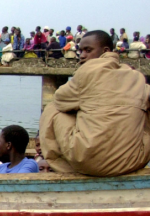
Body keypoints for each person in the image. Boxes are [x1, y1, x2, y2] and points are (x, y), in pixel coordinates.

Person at [40, 30, 150, 177]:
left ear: (105, 51)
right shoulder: (136, 76)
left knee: (52, 108)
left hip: (89, 163)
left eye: (88, 50)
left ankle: (67, 167)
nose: (82, 55)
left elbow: (60, 100)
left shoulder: (87, 71)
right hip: (132, 161)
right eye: (80, 51)